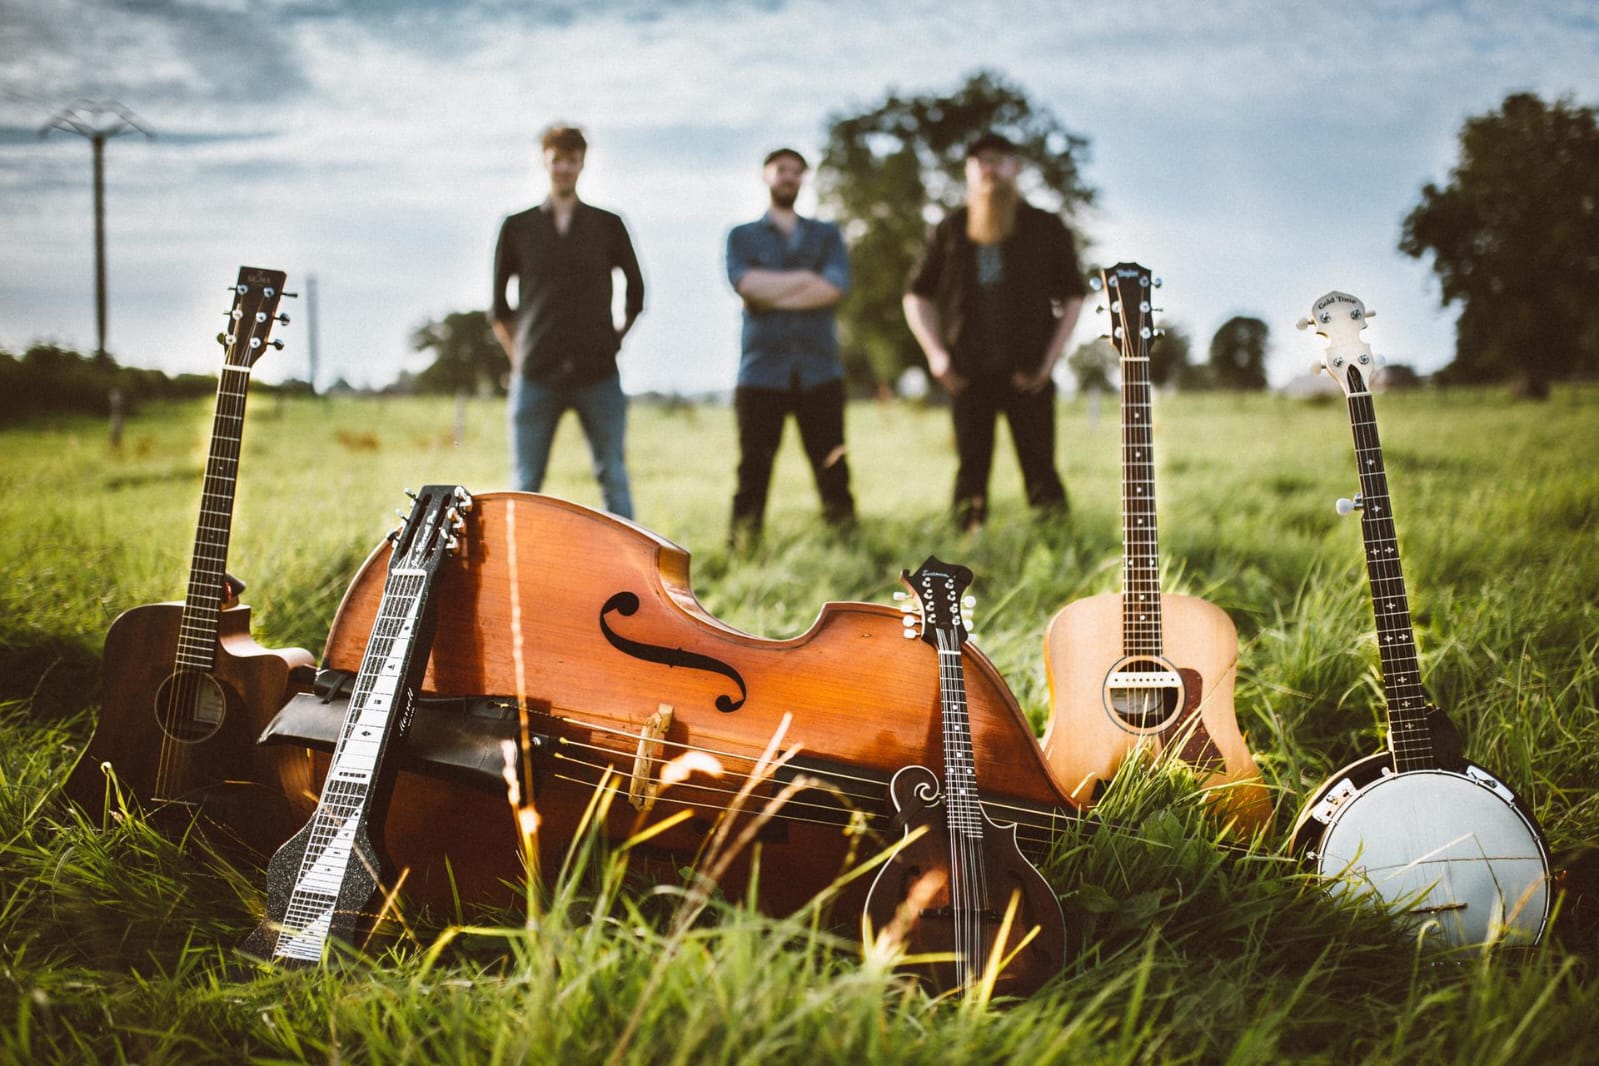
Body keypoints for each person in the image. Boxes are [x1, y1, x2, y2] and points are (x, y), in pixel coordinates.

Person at [903, 132, 1086, 530]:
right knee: (970, 472)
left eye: (999, 160)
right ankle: (968, 555)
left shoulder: (1045, 227)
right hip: (967, 375)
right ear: (969, 171)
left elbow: (1073, 296)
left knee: (1041, 469)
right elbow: (916, 296)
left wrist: (1049, 363)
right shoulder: (950, 228)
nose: (990, 168)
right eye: (980, 161)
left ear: (1015, 168)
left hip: (1028, 375)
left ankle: (1057, 547)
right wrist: (937, 356)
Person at [492, 124, 644, 519]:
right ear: (545, 162)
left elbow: (636, 292)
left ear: (582, 164)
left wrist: (615, 339)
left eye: (571, 160)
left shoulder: (608, 225)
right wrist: (520, 357)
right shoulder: (517, 227)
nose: (563, 168)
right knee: (525, 482)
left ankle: (632, 573)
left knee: (613, 475)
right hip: (536, 374)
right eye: (556, 160)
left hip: (598, 373)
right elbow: (499, 308)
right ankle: (515, 572)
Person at [724, 147, 856, 547]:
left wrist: (770, 291)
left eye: (797, 172)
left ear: (803, 180)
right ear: (766, 175)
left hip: (819, 371)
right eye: (782, 170)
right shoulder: (742, 236)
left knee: (833, 468)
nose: (789, 177)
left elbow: (834, 288)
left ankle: (847, 544)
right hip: (762, 372)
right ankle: (743, 546)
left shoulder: (827, 234)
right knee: (753, 470)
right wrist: (805, 281)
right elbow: (744, 284)